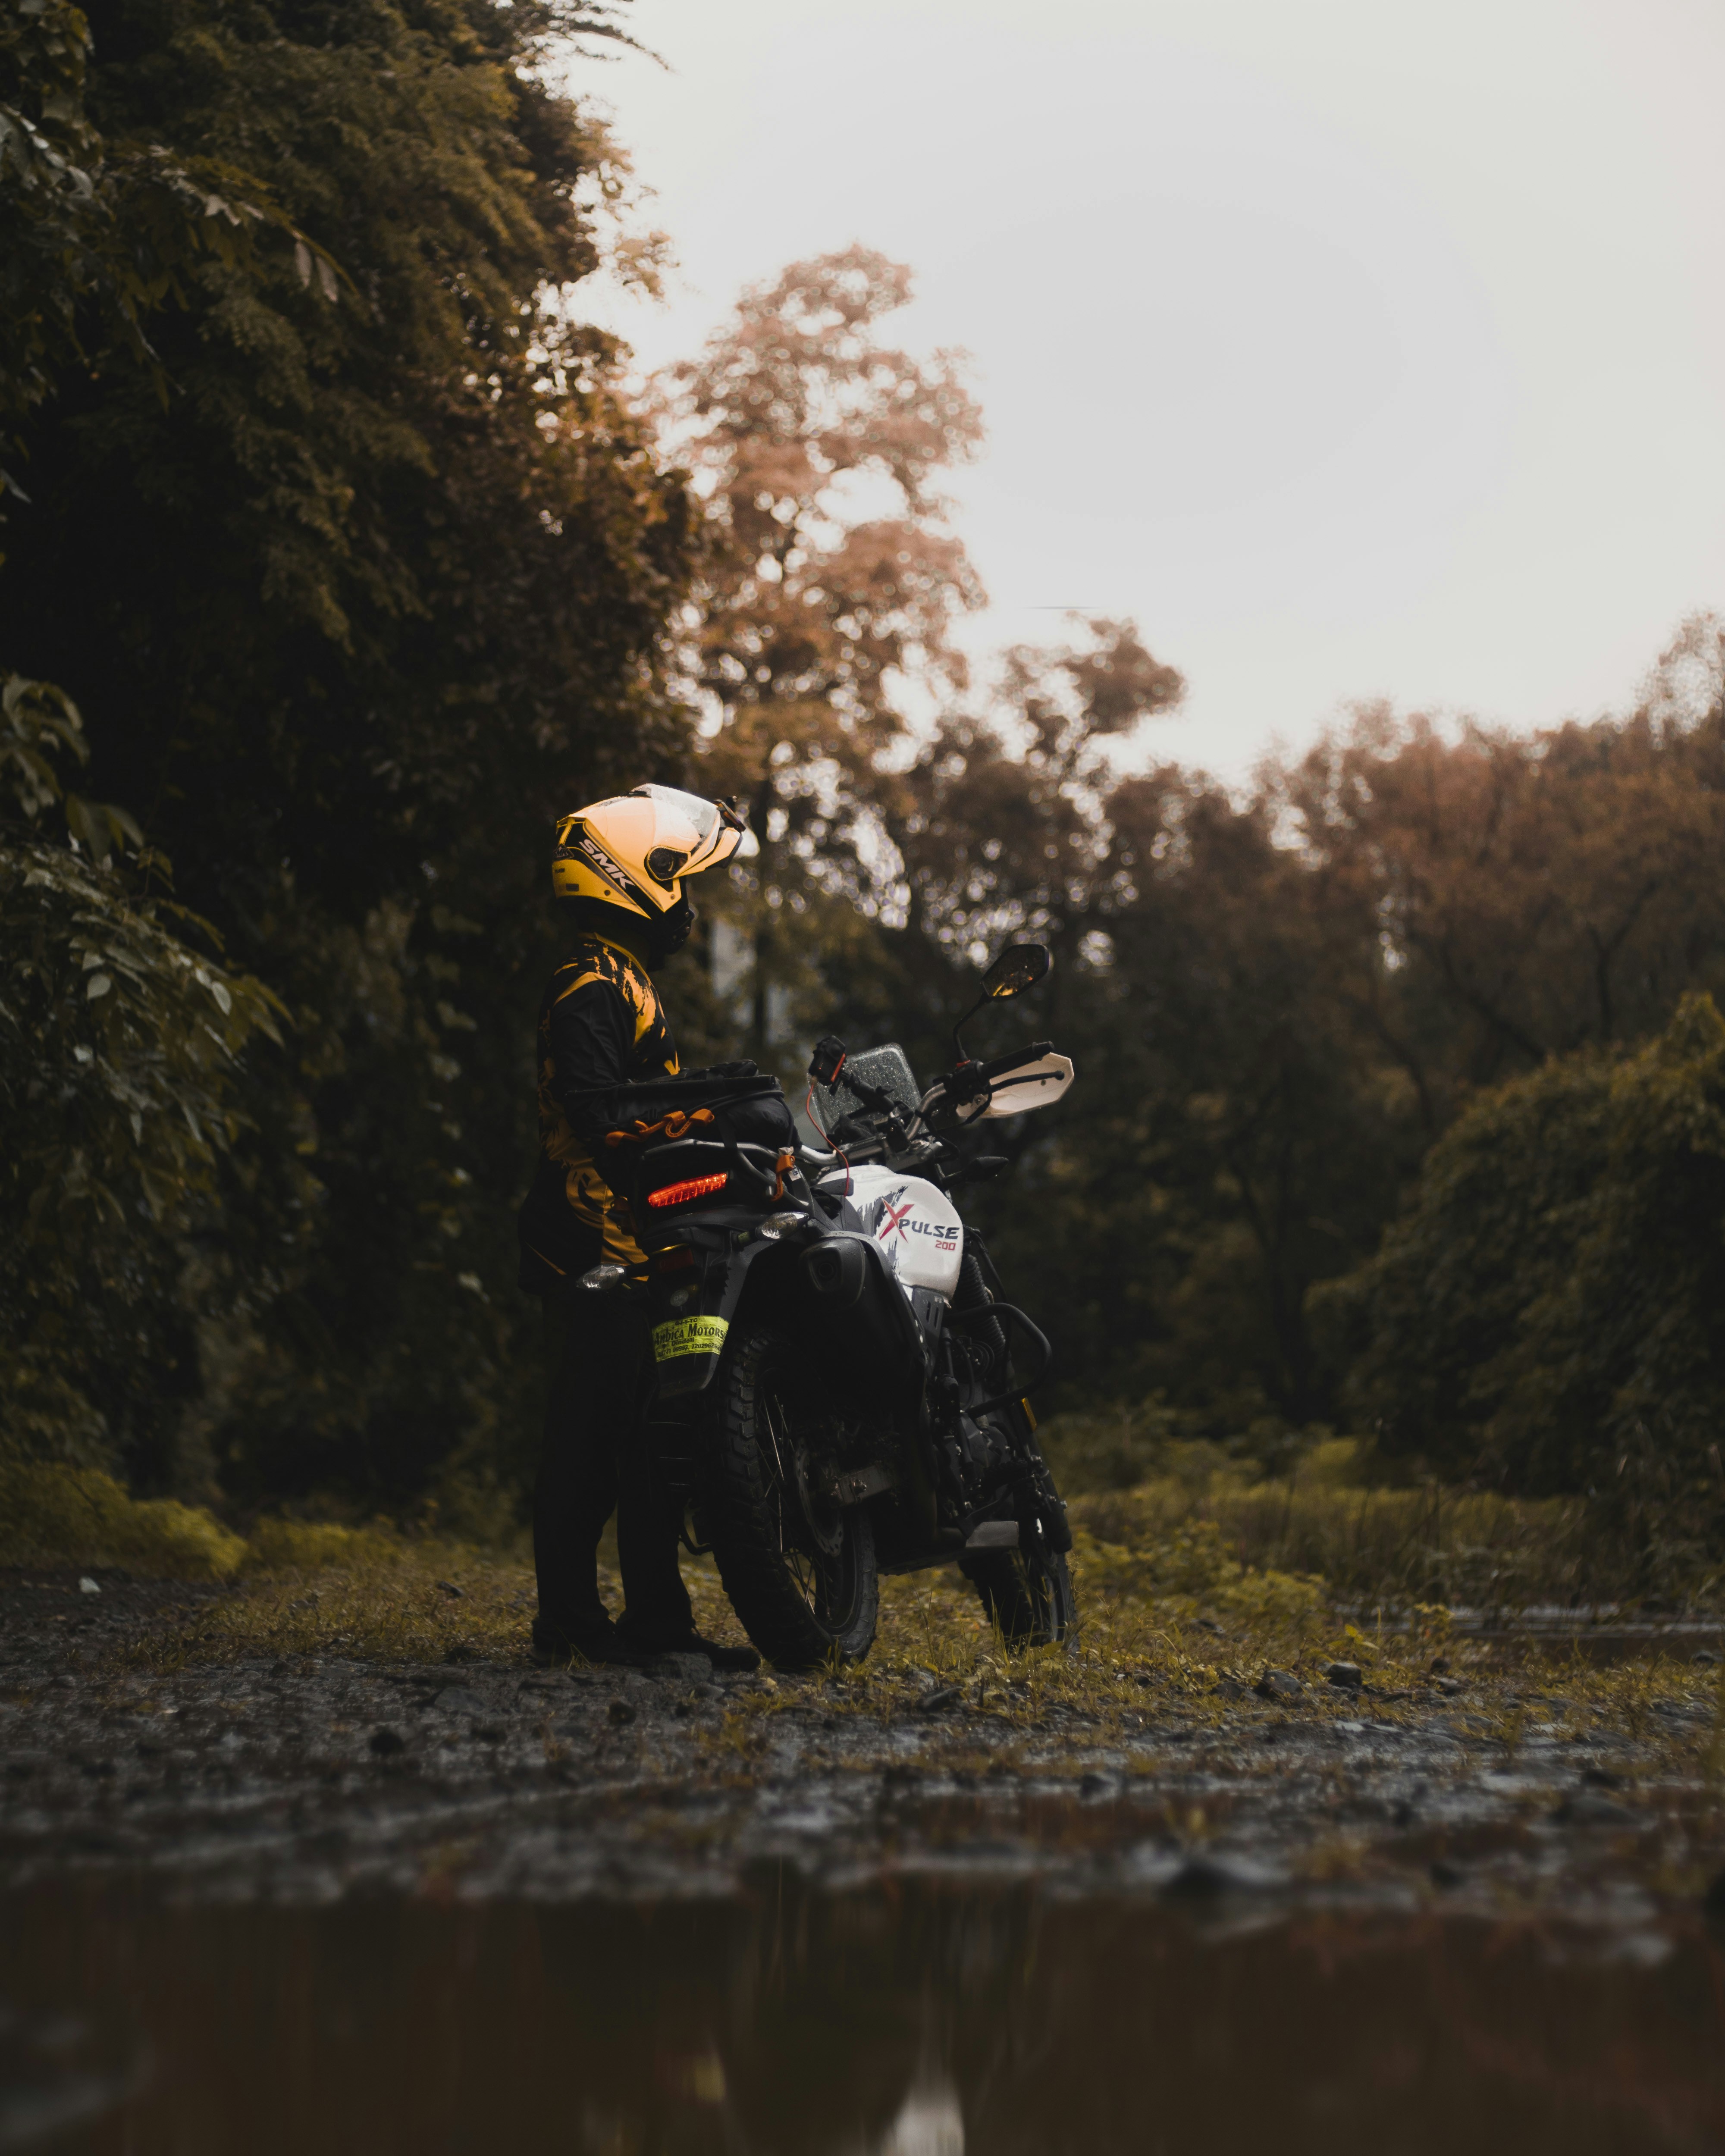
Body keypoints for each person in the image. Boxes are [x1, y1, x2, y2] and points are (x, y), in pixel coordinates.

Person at [518, 784, 759, 1670]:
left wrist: (709, 1101)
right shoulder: (589, 982)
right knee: (592, 1433)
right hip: (590, 1241)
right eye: (676, 877)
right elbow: (599, 1113)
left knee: (654, 1437)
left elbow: (635, 1106)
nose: (685, 899)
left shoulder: (622, 977)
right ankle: (572, 1622)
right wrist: (708, 1102)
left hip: (634, 1241)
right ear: (629, 876)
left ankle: (657, 1623)